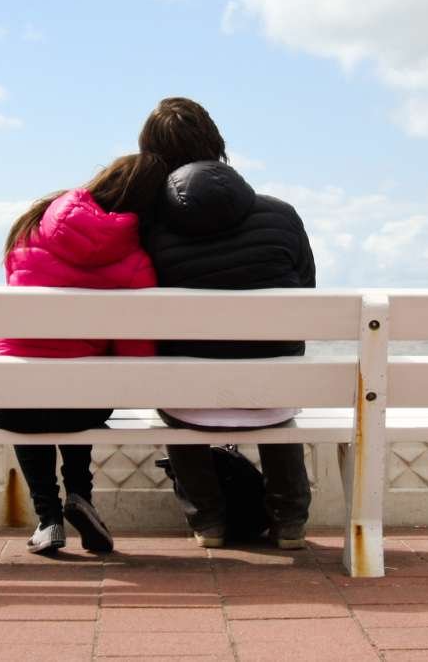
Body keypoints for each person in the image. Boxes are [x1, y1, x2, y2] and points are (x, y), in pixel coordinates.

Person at [138, 97, 316, 549]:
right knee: (276, 393)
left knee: (177, 397)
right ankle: (290, 519)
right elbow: (307, 299)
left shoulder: (150, 227)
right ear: (216, 144)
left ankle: (209, 520)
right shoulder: (282, 215)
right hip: (273, 393)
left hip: (188, 399)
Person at [0, 154, 167, 554]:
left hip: (9, 399)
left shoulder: (31, 226)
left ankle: (48, 519)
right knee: (81, 385)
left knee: (30, 393)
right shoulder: (136, 260)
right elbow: (136, 356)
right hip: (79, 404)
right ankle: (81, 496)